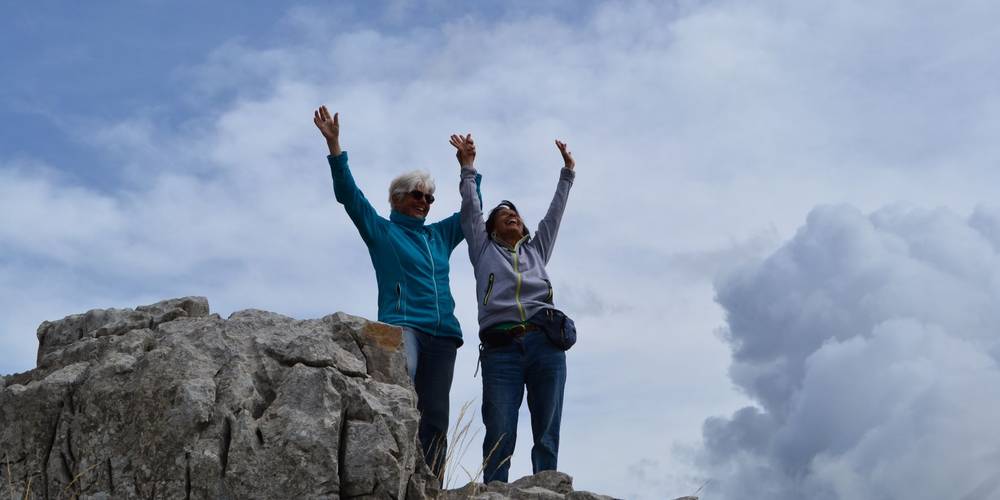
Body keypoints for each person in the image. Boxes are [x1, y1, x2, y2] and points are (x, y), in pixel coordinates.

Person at [313, 106, 478, 478]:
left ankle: (429, 481)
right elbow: (350, 198)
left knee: (435, 414)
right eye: (417, 195)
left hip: (444, 335)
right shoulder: (383, 233)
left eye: (429, 198)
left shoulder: (439, 235)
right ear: (398, 199)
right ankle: (390, 471)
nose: (424, 201)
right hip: (404, 328)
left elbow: (471, 213)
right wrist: (335, 147)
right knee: (401, 399)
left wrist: (468, 169)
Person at [450, 132, 576, 483]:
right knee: (500, 428)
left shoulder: (537, 250)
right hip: (500, 350)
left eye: (515, 214)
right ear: (490, 228)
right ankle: (495, 490)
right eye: (503, 215)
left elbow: (555, 215)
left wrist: (567, 174)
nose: (512, 217)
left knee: (547, 428)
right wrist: (468, 167)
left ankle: (547, 486)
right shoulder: (483, 249)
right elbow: (471, 209)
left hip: (545, 344)